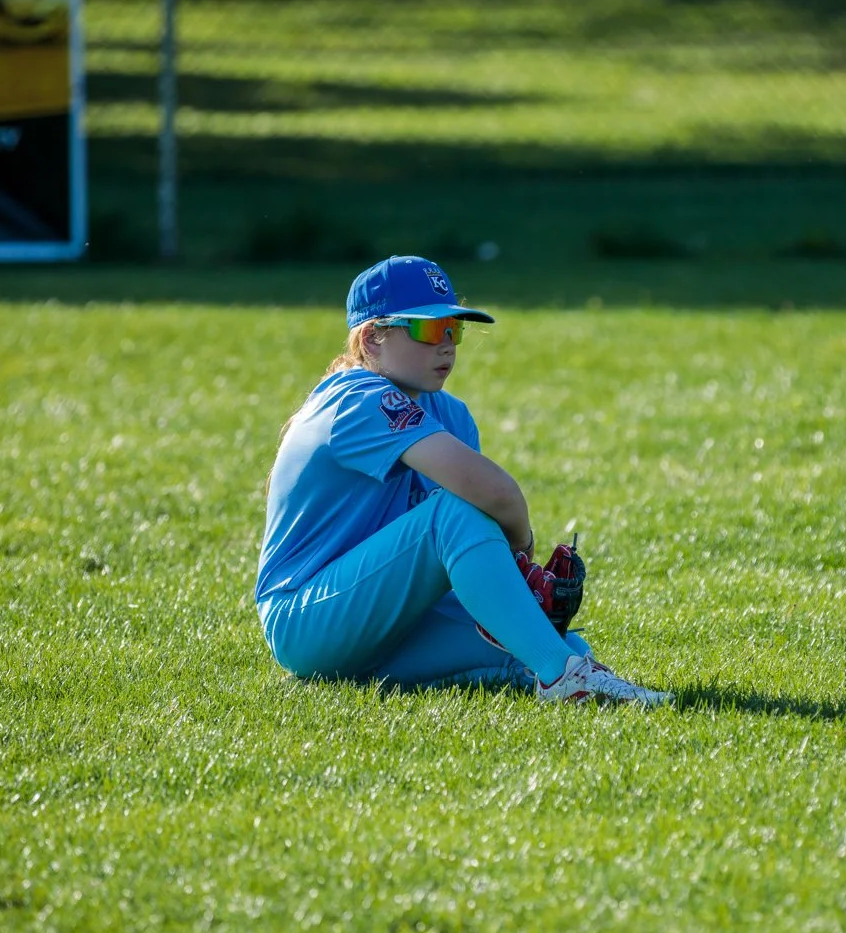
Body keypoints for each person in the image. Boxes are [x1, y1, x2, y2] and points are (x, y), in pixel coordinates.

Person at [255, 255, 672, 706]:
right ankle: (565, 681)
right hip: (308, 623)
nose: (447, 345)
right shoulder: (355, 400)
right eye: (430, 330)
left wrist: (512, 592)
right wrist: (521, 548)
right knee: (454, 511)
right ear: (373, 339)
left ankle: (573, 675)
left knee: (545, 644)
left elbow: (456, 550)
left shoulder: (449, 414)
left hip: (394, 618)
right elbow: (493, 494)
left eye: (455, 330)